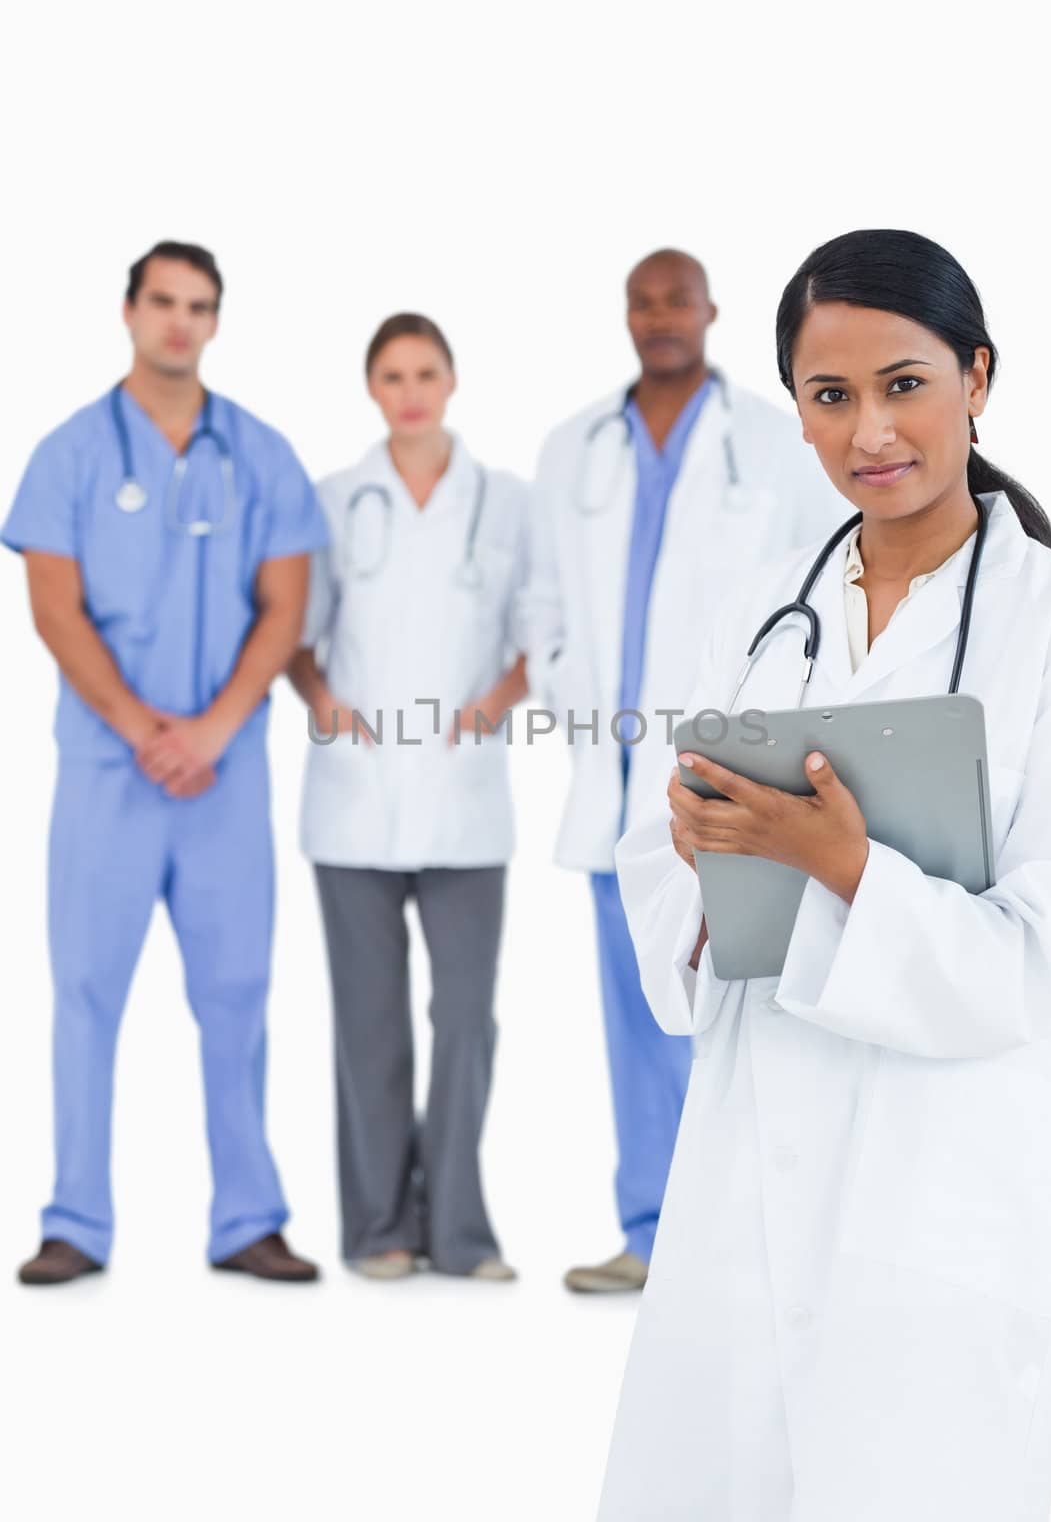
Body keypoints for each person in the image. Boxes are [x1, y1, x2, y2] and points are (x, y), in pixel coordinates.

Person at [597, 229, 1051, 1520]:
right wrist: (697, 866)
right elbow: (659, 859)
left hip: (942, 1203)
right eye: (828, 395)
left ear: (976, 377)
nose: (869, 430)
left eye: (903, 384)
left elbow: (1042, 960)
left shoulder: (1045, 629)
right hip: (741, 1191)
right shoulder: (757, 616)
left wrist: (846, 872)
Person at [523, 248, 848, 1293]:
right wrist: (583, 711)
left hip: (741, 774)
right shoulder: (570, 446)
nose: (659, 315)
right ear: (624, 315)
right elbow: (541, 606)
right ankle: (651, 1233)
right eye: (641, 300)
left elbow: (817, 588)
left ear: (709, 311)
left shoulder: (767, 438)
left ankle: (751, 1241)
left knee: (752, 1002)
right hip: (613, 775)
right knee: (635, 1014)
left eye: (678, 299)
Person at [5, 241, 326, 1285]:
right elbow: (54, 608)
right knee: (86, 990)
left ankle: (246, 1219)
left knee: (236, 991)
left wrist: (214, 728)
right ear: (130, 311)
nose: (179, 321)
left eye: (199, 306)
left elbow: (284, 608)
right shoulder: (70, 453)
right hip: (108, 773)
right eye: (163, 302)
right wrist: (147, 729)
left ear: (216, 321)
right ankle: (74, 1221)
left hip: (222, 777)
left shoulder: (262, 453)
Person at [288, 313, 527, 1282]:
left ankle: (462, 1231)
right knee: (368, 1022)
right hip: (352, 799)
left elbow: (531, 634)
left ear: (453, 378)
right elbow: (296, 636)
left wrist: (490, 708)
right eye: (392, 374)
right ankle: (380, 1225)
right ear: (371, 389)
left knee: (466, 1018)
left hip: (465, 799)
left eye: (425, 370)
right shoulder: (335, 500)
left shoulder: (504, 502)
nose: (411, 389)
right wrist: (325, 707)